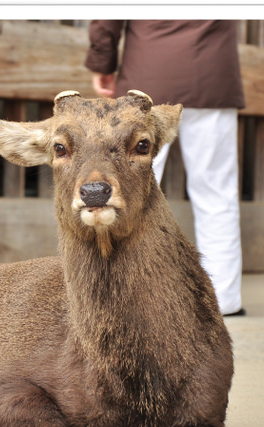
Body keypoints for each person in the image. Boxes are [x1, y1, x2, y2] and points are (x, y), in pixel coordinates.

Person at [85, 20, 246, 316]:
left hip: (148, 77)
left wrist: (102, 61)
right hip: (213, 75)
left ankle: (122, 297)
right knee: (216, 192)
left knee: (128, 191)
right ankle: (225, 299)